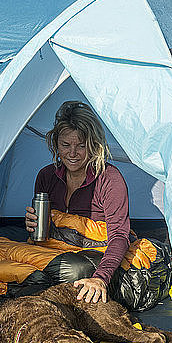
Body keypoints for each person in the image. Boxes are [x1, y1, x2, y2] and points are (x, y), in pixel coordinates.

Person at [25, 101, 130, 304]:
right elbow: (41, 237)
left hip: (95, 255)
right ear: (56, 144)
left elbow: (119, 236)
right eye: (65, 145)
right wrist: (32, 225)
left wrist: (100, 278)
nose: (72, 154)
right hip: (54, 253)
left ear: (94, 146)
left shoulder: (109, 179)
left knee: (72, 270)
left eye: (81, 146)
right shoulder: (46, 176)